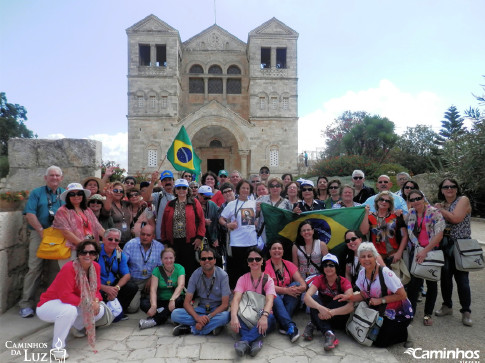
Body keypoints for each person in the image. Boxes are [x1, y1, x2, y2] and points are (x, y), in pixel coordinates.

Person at [36, 240, 105, 359]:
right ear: (78, 254)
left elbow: (97, 290)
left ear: (96, 255)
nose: (88, 255)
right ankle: (57, 347)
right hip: (48, 305)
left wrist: (96, 302)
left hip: (74, 303)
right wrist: (88, 304)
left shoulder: (96, 268)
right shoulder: (69, 268)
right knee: (69, 310)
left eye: (92, 252)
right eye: (84, 252)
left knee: (100, 310)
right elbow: (65, 295)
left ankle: (74, 326)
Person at [336, 242, 414, 347]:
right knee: (371, 338)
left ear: (375, 257)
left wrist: (380, 300)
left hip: (398, 313)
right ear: (359, 259)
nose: (366, 259)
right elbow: (364, 295)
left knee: (381, 343)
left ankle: (406, 332)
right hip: (380, 311)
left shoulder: (385, 273)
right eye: (363, 256)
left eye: (369, 256)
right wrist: (349, 297)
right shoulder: (362, 273)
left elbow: (403, 295)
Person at [19, 165, 66, 318]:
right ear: (46, 178)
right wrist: (41, 231)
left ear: (61, 178)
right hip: (39, 234)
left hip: (58, 235)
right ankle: (26, 304)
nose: (54, 178)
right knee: (34, 268)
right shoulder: (37, 193)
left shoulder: (64, 193)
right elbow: (30, 214)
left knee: (55, 269)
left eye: (57, 176)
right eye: (51, 175)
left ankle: (50, 302)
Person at [434, 178, 473, 326]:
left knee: (462, 280)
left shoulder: (463, 200)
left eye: (452, 186)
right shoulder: (442, 204)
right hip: (444, 244)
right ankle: (447, 305)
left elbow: (456, 218)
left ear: (457, 188)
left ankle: (466, 311)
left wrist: (440, 209)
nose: (449, 189)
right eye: (446, 187)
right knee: (445, 278)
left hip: (460, 245)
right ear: (442, 190)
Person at [405, 189, 445, 326]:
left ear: (423, 198)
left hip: (431, 251)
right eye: (412, 199)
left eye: (418, 198)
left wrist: (425, 251)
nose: (416, 201)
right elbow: (407, 231)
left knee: (431, 283)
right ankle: (411, 312)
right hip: (416, 250)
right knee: (414, 284)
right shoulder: (410, 213)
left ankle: (428, 313)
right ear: (409, 202)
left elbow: (439, 234)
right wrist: (419, 251)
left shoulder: (434, 212)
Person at [171, 248, 231, 336]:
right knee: (175, 314)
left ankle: (190, 329)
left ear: (214, 260)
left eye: (210, 258)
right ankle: (211, 328)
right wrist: (198, 318)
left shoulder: (223, 276)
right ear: (200, 261)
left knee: (226, 316)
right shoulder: (195, 274)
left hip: (216, 311)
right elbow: (186, 303)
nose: (207, 261)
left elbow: (225, 304)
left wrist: (209, 317)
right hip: (201, 309)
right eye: (203, 259)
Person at [231, 248, 276, 357]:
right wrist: (233, 317)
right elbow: (236, 299)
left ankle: (244, 341)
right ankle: (256, 341)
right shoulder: (242, 279)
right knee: (232, 314)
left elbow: (270, 300)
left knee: (270, 318)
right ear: (247, 263)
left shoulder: (268, 280)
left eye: (257, 259)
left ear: (262, 261)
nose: (254, 262)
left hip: (263, 316)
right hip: (247, 316)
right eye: (251, 259)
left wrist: (264, 316)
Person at [304, 254, 353, 351]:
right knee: (314, 298)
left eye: (331, 265)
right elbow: (306, 297)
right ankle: (329, 333)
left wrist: (330, 312)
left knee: (340, 299)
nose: (328, 268)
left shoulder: (344, 282)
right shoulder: (319, 279)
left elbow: (350, 306)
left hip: (337, 315)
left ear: (336, 267)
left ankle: (314, 323)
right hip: (322, 313)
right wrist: (320, 308)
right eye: (325, 265)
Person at [162, 178, 205, 281]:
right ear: (175, 190)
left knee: (189, 268)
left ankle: (190, 293)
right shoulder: (170, 204)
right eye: (179, 188)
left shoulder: (194, 202)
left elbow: (201, 221)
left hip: (190, 242)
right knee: (175, 268)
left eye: (184, 188)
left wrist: (199, 237)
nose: (181, 190)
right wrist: (165, 240)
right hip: (174, 242)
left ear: (187, 190)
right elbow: (164, 223)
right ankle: (178, 293)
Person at [219, 179, 258, 288]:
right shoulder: (232, 204)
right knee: (236, 271)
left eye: (247, 188)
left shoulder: (254, 203)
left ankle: (250, 292)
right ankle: (236, 294)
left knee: (250, 269)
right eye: (243, 188)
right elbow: (221, 219)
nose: (245, 190)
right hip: (237, 243)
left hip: (251, 242)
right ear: (238, 190)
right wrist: (228, 225)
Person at [264, 240, 306, 342]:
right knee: (272, 293)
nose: (277, 250)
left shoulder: (289, 264)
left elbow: (303, 284)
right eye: (274, 248)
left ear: (283, 251)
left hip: (288, 297)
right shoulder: (265, 265)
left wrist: (300, 288)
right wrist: (286, 290)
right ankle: (289, 326)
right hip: (274, 297)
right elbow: (267, 286)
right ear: (269, 251)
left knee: (296, 284)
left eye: (279, 248)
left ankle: (282, 321)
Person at [53, 183, 104, 264]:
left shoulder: (87, 210)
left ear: (83, 195)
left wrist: (109, 238)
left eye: (79, 193)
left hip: (88, 250)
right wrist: (84, 246)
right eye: (72, 194)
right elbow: (66, 232)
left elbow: (98, 227)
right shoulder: (62, 211)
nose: (76, 196)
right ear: (68, 197)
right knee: (71, 275)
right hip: (71, 250)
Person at [138, 248, 185, 329]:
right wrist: (153, 305)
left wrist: (172, 299)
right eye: (165, 258)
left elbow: (181, 285)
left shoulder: (180, 268)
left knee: (180, 300)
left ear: (174, 258)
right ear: (161, 260)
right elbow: (153, 289)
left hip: (175, 299)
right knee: (143, 303)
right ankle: (167, 316)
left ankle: (154, 321)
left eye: (171, 258)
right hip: (162, 300)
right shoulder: (157, 271)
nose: (168, 260)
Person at [123, 224, 165, 313]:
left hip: (151, 279)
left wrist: (152, 278)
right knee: (132, 309)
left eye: (148, 235)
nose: (145, 237)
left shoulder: (159, 247)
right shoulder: (130, 245)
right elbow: (123, 264)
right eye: (143, 234)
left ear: (153, 236)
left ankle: (145, 297)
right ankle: (141, 296)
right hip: (135, 281)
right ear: (139, 234)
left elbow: (161, 267)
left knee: (160, 300)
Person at [361, 192, 408, 266]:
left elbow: (404, 236)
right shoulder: (369, 217)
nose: (384, 202)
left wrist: (399, 252)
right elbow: (364, 231)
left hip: (394, 256)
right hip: (376, 257)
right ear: (377, 201)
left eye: (387, 201)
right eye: (381, 199)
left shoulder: (396, 217)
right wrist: (366, 214)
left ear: (390, 204)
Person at [98, 228, 138, 318]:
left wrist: (116, 288)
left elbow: (127, 275)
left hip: (112, 285)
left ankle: (119, 312)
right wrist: (105, 288)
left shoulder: (119, 254)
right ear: (103, 239)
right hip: (97, 286)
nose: (113, 242)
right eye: (110, 239)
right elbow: (87, 279)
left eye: (116, 240)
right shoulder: (95, 253)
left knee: (132, 287)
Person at [257, 177, 293, 255]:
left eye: (277, 185)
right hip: (264, 237)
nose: (275, 188)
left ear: (281, 188)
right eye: (272, 186)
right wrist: (257, 210)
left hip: (280, 237)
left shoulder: (287, 203)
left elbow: (290, 220)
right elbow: (255, 217)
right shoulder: (261, 200)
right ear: (269, 188)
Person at [141, 170, 176, 242]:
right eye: (165, 180)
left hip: (176, 235)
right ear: (162, 183)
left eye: (169, 180)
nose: (168, 182)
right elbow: (146, 198)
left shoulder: (179, 196)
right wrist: (153, 182)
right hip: (161, 235)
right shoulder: (158, 196)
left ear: (173, 181)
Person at [102, 181, 132, 247]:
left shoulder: (125, 204)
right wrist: (109, 198)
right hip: (114, 241)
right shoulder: (108, 204)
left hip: (128, 240)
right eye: (115, 190)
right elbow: (106, 212)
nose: (118, 192)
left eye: (121, 191)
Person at [196, 185, 220, 263]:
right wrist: (202, 221)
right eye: (205, 197)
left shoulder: (212, 205)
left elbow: (217, 222)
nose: (207, 200)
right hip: (197, 238)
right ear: (199, 195)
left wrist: (216, 238)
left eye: (209, 197)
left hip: (210, 239)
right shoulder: (192, 204)